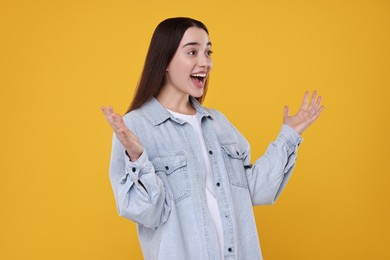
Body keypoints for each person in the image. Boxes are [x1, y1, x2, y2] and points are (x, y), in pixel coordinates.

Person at [101, 17, 324, 260]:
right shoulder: (136, 126)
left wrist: (289, 136)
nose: (204, 62)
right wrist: (138, 158)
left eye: (208, 52)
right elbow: (147, 212)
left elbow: (256, 190)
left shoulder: (218, 123)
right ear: (165, 60)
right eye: (192, 52)